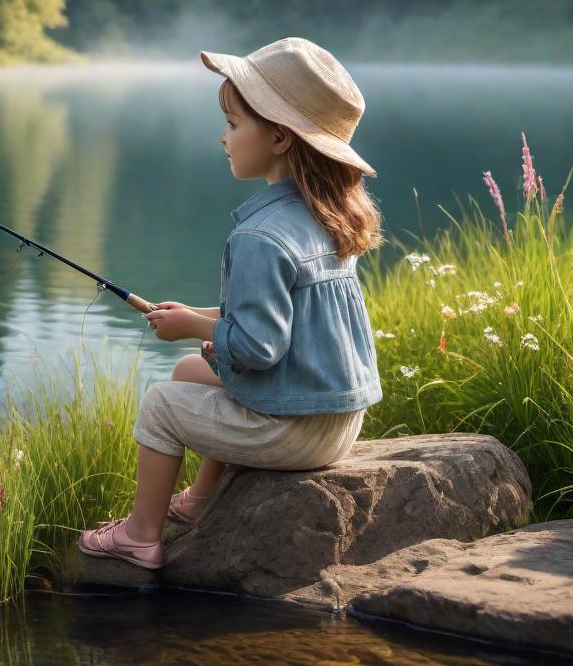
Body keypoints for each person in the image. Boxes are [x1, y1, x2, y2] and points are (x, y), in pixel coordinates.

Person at [78, 37, 385, 568]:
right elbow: (289, 317)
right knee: (187, 373)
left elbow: (258, 348)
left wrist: (192, 326)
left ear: (281, 138)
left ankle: (140, 535)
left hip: (294, 430)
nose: (224, 136)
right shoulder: (327, 217)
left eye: (234, 123)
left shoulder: (261, 236)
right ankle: (199, 502)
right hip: (338, 421)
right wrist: (198, 319)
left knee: (159, 406)